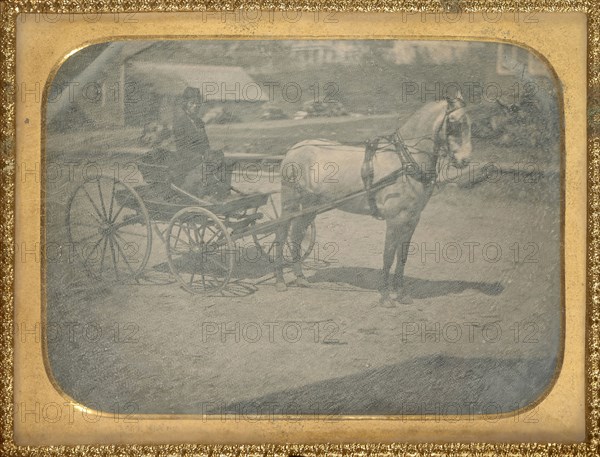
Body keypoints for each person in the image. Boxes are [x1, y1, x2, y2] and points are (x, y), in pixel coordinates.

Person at [172, 87, 230, 199]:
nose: (196, 106)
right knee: (206, 168)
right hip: (187, 161)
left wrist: (210, 153)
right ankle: (200, 194)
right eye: (192, 103)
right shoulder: (180, 123)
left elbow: (206, 144)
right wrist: (201, 157)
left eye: (198, 103)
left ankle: (220, 194)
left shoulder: (199, 122)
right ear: (185, 104)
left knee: (223, 163)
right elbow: (181, 150)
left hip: (202, 159)